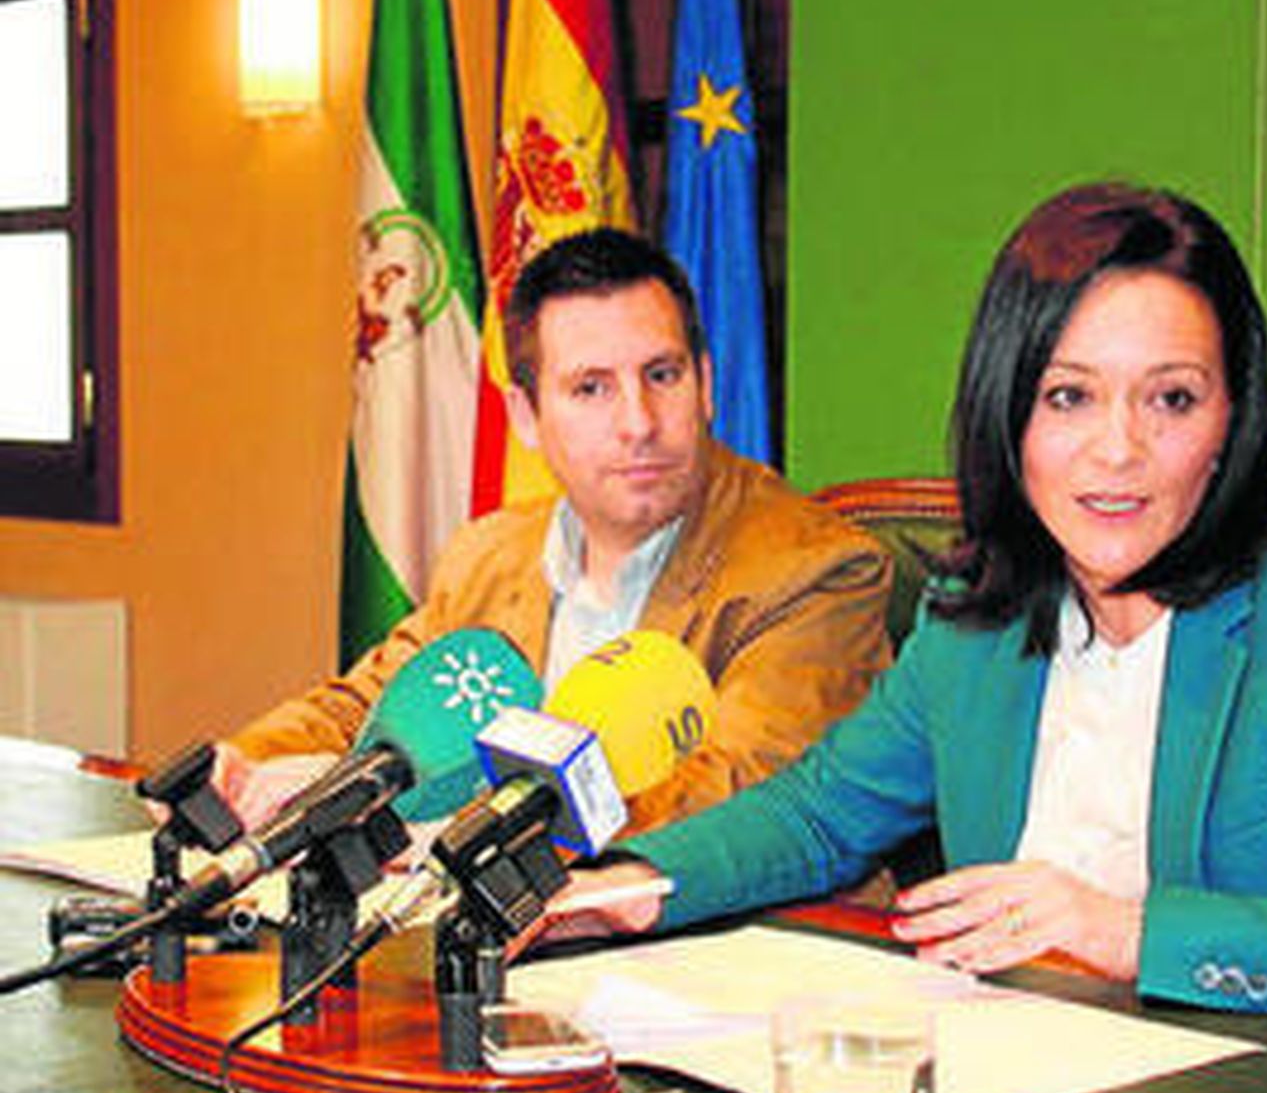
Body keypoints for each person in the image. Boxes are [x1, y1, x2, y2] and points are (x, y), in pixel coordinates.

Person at [527, 183, 1267, 1031]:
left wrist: (1132, 932)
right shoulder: (974, 622)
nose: (1117, 450)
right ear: (1011, 414)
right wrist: (628, 885)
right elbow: (817, 816)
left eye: (1171, 398)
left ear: (1231, 416)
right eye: (1069, 396)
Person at [214, 228, 893, 834]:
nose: (639, 422)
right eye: (592, 388)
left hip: (714, 928)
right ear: (526, 417)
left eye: (662, 375)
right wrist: (242, 767)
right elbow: (371, 708)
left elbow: (735, 800)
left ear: (706, 384)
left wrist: (419, 819)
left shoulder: (816, 571)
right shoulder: (490, 556)